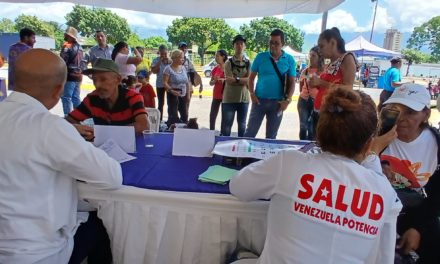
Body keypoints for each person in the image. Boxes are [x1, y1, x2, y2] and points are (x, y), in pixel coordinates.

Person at [230, 88, 402, 263]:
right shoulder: (385, 193)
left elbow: (238, 187)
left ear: (319, 131)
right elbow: (384, 258)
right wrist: (373, 154)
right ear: (367, 144)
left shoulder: (290, 163)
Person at [0, 48, 122, 264]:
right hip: (37, 252)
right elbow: (111, 177)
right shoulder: (49, 127)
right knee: (102, 223)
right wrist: (72, 137)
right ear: (59, 91)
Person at [377, 83, 440, 263]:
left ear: (426, 114)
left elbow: (436, 196)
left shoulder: (435, 145)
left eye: (411, 112)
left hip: (417, 211)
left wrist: (417, 228)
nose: (401, 118)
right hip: (379, 209)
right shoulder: (378, 135)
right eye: (396, 110)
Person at [66, 58, 149, 135]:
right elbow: (68, 121)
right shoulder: (92, 99)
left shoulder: (133, 97)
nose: (97, 85)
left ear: (118, 79)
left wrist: (102, 132)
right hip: (102, 148)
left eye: (103, 79)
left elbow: (143, 126)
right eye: (94, 80)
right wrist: (77, 128)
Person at [244, 29, 296, 139]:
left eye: (276, 43)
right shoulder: (260, 57)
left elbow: (292, 82)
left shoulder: (289, 60)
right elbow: (251, 78)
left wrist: (287, 100)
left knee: (271, 137)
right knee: (250, 133)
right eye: (271, 42)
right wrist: (252, 94)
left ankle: (267, 157)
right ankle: (244, 156)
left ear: (283, 44)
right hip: (259, 101)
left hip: (278, 103)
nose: (273, 46)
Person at [309, 27, 358, 132]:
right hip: (321, 112)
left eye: (322, 46)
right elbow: (328, 85)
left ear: (332, 43)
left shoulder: (347, 58)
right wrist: (316, 83)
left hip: (333, 116)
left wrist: (321, 83)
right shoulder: (331, 62)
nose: (320, 50)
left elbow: (348, 88)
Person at [221, 35, 251, 137]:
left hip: (244, 99)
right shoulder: (228, 63)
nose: (239, 46)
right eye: (237, 43)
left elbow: (249, 80)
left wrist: (236, 79)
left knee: (242, 126)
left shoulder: (248, 63)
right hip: (229, 99)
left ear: (244, 46)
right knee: (226, 127)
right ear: (233, 46)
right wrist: (243, 80)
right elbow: (229, 81)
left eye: (241, 44)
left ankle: (241, 150)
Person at [297, 46, 324, 140]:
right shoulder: (306, 70)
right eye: (310, 55)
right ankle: (302, 146)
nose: (311, 58)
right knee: (303, 126)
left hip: (316, 102)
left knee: (313, 129)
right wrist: (305, 94)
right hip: (303, 101)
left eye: (314, 55)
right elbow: (301, 85)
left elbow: (324, 88)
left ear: (319, 58)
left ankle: (310, 149)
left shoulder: (323, 72)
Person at [60, 26, 85, 116]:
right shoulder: (80, 47)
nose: (64, 35)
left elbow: (62, 61)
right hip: (78, 76)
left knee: (66, 97)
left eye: (66, 34)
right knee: (76, 97)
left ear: (70, 36)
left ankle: (68, 117)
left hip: (69, 76)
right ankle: (79, 116)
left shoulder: (67, 46)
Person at [163, 49, 190, 126]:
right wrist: (171, 90)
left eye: (183, 57)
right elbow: (165, 83)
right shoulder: (168, 69)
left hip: (183, 95)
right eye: (181, 57)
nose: (183, 59)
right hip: (173, 95)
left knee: (185, 115)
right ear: (175, 58)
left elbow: (187, 82)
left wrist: (188, 95)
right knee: (173, 117)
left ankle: (183, 133)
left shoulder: (183, 68)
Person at [151, 45, 171, 121]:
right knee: (161, 103)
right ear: (159, 53)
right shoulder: (155, 60)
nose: (164, 55)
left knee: (170, 103)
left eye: (165, 53)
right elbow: (154, 71)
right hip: (160, 84)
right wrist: (160, 61)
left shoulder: (171, 61)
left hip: (169, 85)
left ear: (168, 52)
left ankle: (170, 120)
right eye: (162, 54)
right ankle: (160, 120)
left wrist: (169, 61)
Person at [209, 49, 227, 131]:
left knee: (225, 116)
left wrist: (224, 80)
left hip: (226, 95)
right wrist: (215, 80)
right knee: (212, 115)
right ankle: (211, 131)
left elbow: (232, 80)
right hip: (216, 95)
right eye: (215, 56)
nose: (215, 58)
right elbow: (211, 83)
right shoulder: (215, 69)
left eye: (217, 56)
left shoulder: (228, 68)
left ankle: (223, 133)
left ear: (223, 57)